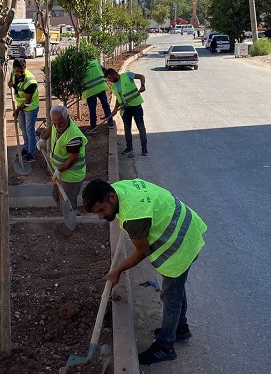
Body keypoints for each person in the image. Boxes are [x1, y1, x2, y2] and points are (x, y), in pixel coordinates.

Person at [82, 178, 207, 365]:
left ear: (112, 197)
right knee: (175, 289)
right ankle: (180, 328)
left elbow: (142, 252)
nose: (100, 217)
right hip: (185, 226)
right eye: (96, 213)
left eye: (101, 210)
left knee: (170, 297)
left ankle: (166, 346)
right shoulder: (118, 188)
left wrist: (117, 271)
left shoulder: (134, 216)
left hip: (180, 243)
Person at [37, 105, 87, 224]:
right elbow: (51, 128)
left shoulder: (73, 136)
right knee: (56, 195)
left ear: (67, 118)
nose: (57, 125)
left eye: (60, 123)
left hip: (71, 174)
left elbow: (73, 158)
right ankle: (67, 215)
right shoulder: (56, 125)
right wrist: (43, 139)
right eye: (55, 122)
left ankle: (72, 220)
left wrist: (59, 171)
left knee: (68, 201)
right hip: (60, 172)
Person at [105, 67, 147, 158]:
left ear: (114, 74)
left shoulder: (127, 75)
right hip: (125, 109)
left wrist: (142, 85)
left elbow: (141, 76)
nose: (109, 80)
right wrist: (115, 109)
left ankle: (144, 148)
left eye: (110, 78)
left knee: (141, 127)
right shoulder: (113, 86)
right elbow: (118, 98)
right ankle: (129, 148)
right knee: (127, 129)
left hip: (136, 106)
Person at [8, 58, 39, 162]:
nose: (19, 73)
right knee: (22, 128)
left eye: (22, 71)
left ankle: (32, 153)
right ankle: (26, 148)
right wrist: (10, 83)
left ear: (25, 68)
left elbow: (27, 102)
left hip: (30, 107)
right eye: (17, 71)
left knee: (30, 130)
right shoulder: (13, 72)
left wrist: (17, 110)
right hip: (20, 105)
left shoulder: (30, 81)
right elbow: (11, 81)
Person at [81, 60, 114, 133]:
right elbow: (104, 70)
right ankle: (110, 123)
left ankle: (93, 127)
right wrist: (104, 78)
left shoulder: (81, 66)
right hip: (100, 87)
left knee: (92, 110)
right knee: (105, 105)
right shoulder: (95, 62)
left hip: (90, 91)